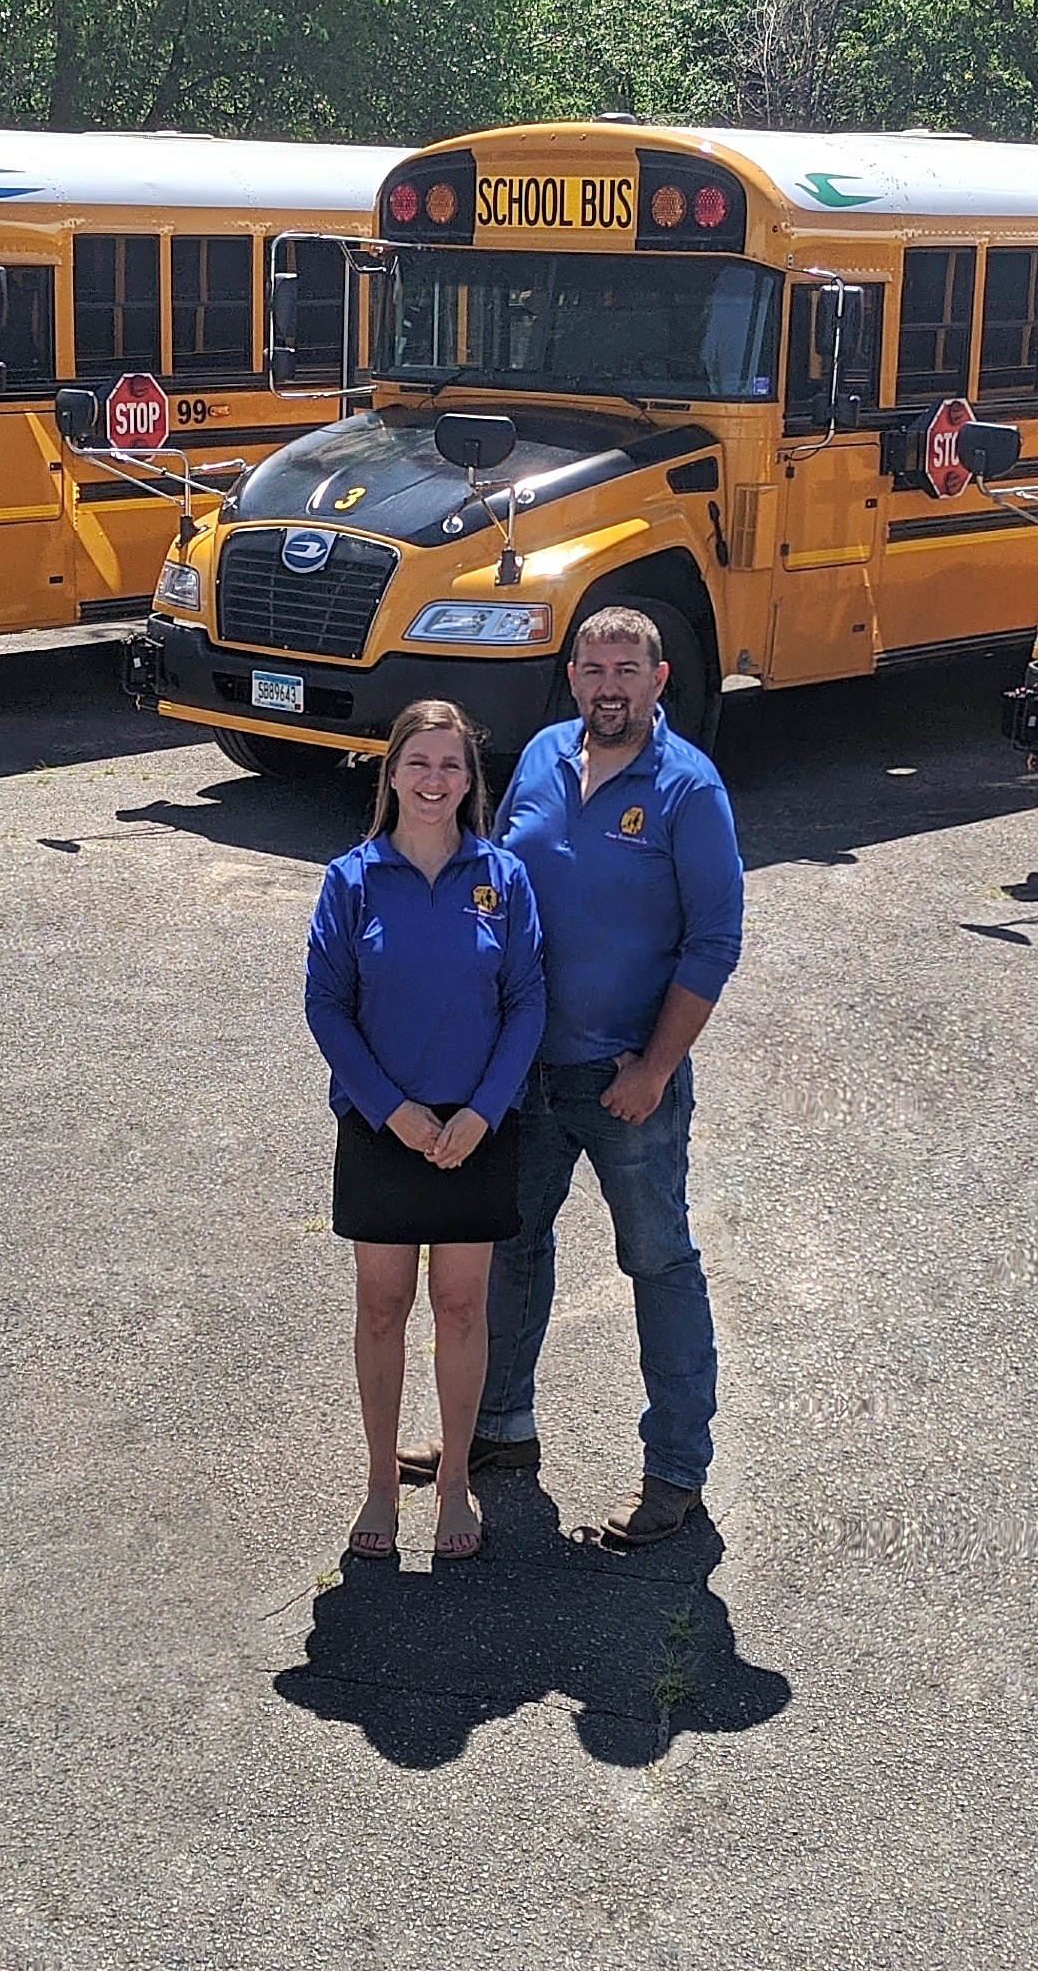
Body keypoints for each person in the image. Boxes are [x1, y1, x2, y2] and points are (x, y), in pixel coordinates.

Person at [407, 606, 744, 1549]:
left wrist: (656, 1066)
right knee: (510, 1249)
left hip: (625, 1083)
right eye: (593, 669)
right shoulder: (545, 756)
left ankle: (676, 1471)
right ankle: (500, 1430)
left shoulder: (689, 787)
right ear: (574, 677)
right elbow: (495, 888)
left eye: (627, 669)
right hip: (522, 1079)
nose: (608, 686)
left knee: (659, 1264)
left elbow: (715, 942)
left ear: (659, 679)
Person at [305, 700, 547, 1563]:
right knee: (382, 1306)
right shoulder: (352, 879)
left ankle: (453, 1486)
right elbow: (327, 1007)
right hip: (384, 1124)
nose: (435, 781)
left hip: (477, 1129)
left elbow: (526, 1001)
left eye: (452, 766)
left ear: (471, 780)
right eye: (420, 764)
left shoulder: (503, 878)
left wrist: (481, 1111)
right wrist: (394, 1112)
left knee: (460, 1304)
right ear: (393, 773)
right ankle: (380, 1477)